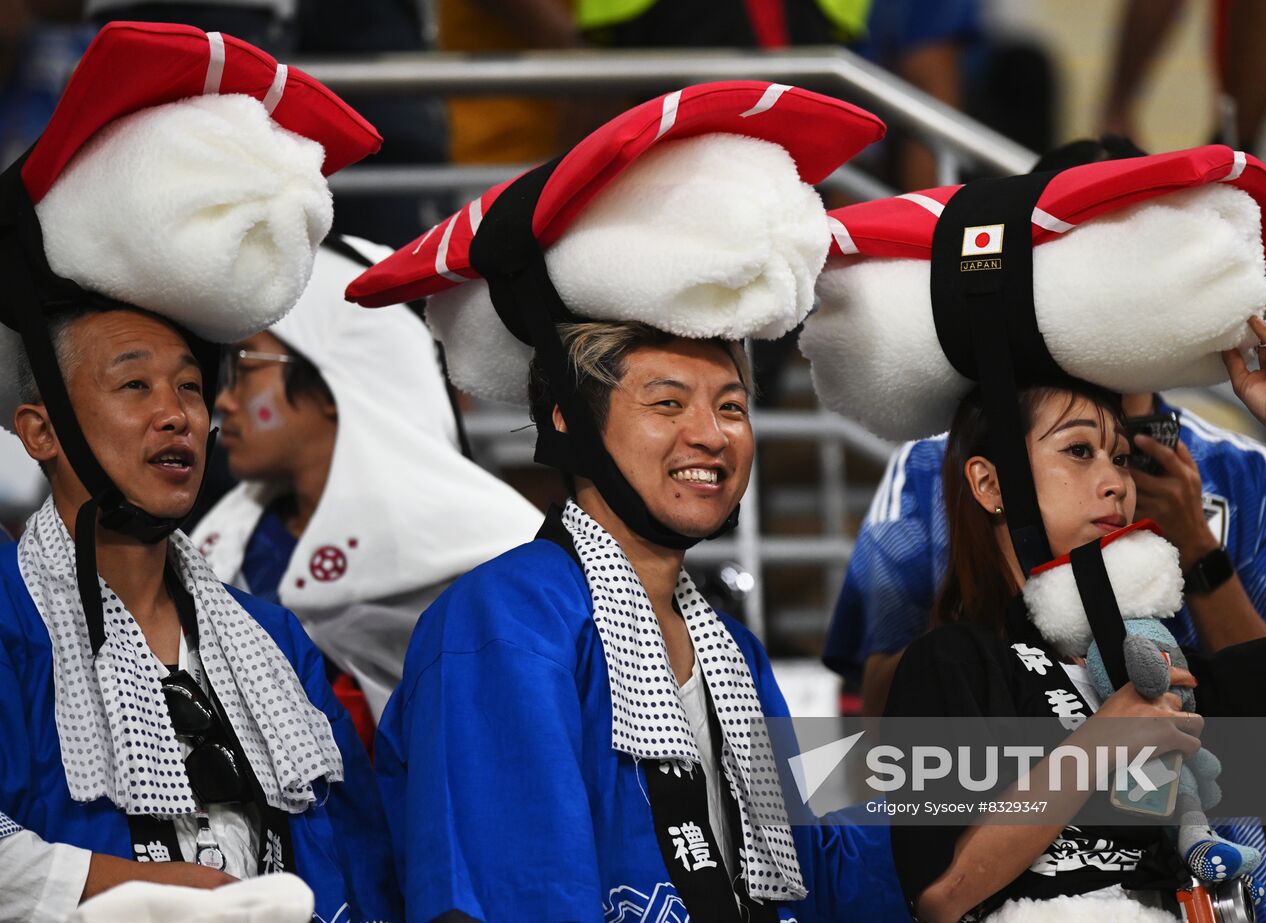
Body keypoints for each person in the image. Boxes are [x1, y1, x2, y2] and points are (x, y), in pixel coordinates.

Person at [349, 81, 906, 921]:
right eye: (668, 402)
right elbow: (515, 897)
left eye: (731, 404)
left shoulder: (732, 651)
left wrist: (1076, 767)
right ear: (568, 420)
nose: (713, 435)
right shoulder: (503, 622)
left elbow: (839, 870)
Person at [800, 147, 1266, 919]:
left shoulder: (1154, 668)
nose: (1115, 480)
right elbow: (938, 893)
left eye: (1119, 455)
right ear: (989, 483)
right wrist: (1100, 743)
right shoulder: (952, 661)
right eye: (1078, 451)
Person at [0, 22, 398, 921]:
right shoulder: (4, 618)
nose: (179, 412)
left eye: (189, 386)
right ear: (41, 429)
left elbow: (366, 868)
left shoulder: (275, 641)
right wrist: (180, 894)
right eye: (133, 384)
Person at [190, 235, 543, 740]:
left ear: (334, 383)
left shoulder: (497, 556)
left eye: (246, 370)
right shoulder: (224, 542)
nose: (223, 400)